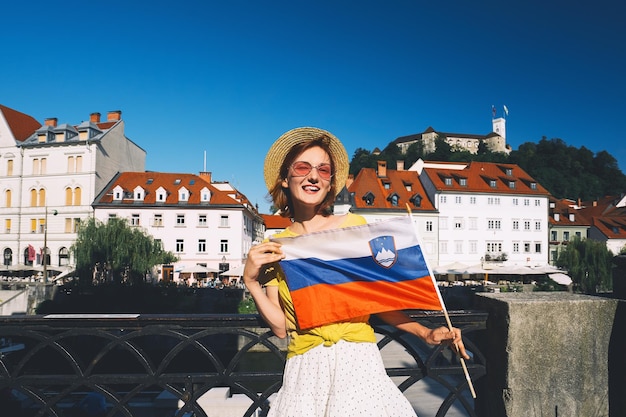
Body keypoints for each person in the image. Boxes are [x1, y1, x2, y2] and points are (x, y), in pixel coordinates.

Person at [244, 127, 469, 416]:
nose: (314, 176)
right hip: (305, 369)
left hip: (357, 363)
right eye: (303, 167)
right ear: (285, 179)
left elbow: (376, 303)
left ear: (329, 184)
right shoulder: (278, 246)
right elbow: (281, 326)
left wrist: (425, 333)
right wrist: (251, 280)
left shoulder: (353, 229)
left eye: (324, 171)